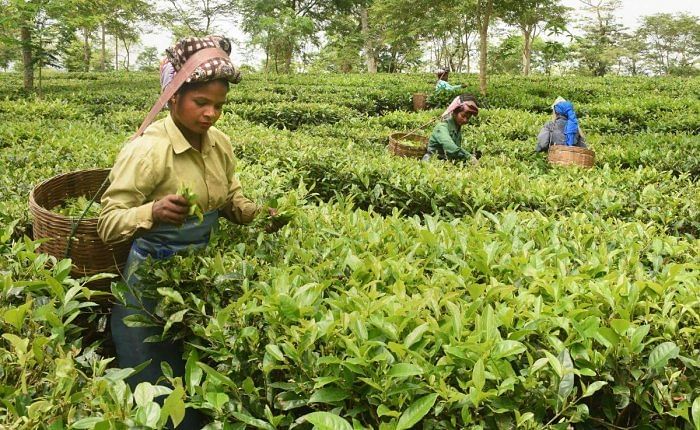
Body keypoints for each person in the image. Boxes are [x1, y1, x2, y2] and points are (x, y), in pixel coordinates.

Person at [97, 35, 277, 428]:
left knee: (198, 387)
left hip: (199, 282)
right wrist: (152, 211)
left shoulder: (221, 145)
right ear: (173, 96)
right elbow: (108, 223)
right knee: (157, 393)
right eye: (201, 103)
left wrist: (257, 215)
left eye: (219, 105)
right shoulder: (147, 150)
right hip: (148, 286)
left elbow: (231, 199)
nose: (211, 114)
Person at [423, 94, 479, 163]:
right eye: (463, 116)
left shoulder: (457, 128)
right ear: (455, 112)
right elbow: (451, 148)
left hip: (445, 162)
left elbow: (457, 150)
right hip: (432, 162)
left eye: (468, 118)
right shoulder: (442, 127)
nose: (465, 120)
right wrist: (469, 157)